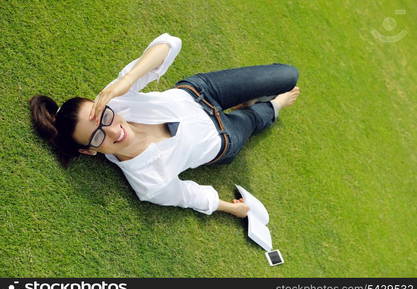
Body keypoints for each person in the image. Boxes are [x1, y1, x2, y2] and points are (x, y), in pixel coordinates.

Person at [29, 33, 300, 218]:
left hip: (202, 92)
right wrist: (231, 208)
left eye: (105, 118)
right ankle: (268, 107)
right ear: (89, 151)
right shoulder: (148, 182)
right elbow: (187, 196)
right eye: (98, 136)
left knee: (288, 75)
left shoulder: (117, 99)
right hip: (223, 138)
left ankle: (247, 101)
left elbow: (170, 43)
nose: (113, 130)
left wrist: (127, 80)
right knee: (263, 112)